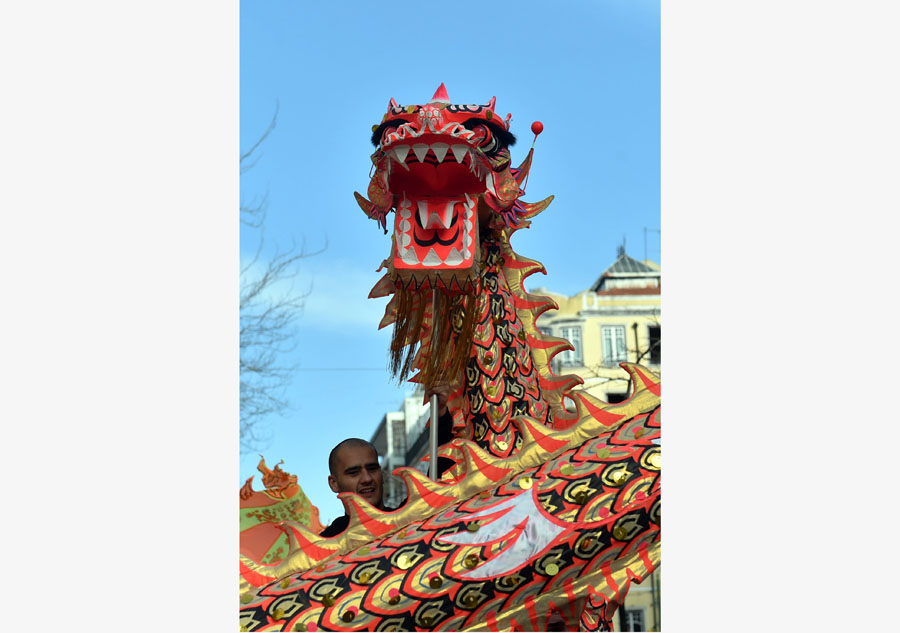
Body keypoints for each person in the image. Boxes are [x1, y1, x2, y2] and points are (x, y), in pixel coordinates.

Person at [319, 384, 456, 538]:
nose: (367, 479)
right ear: (334, 483)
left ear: (382, 474)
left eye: (372, 469)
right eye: (354, 472)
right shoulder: (326, 546)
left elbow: (439, 481)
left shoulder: (411, 519)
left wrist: (441, 413)